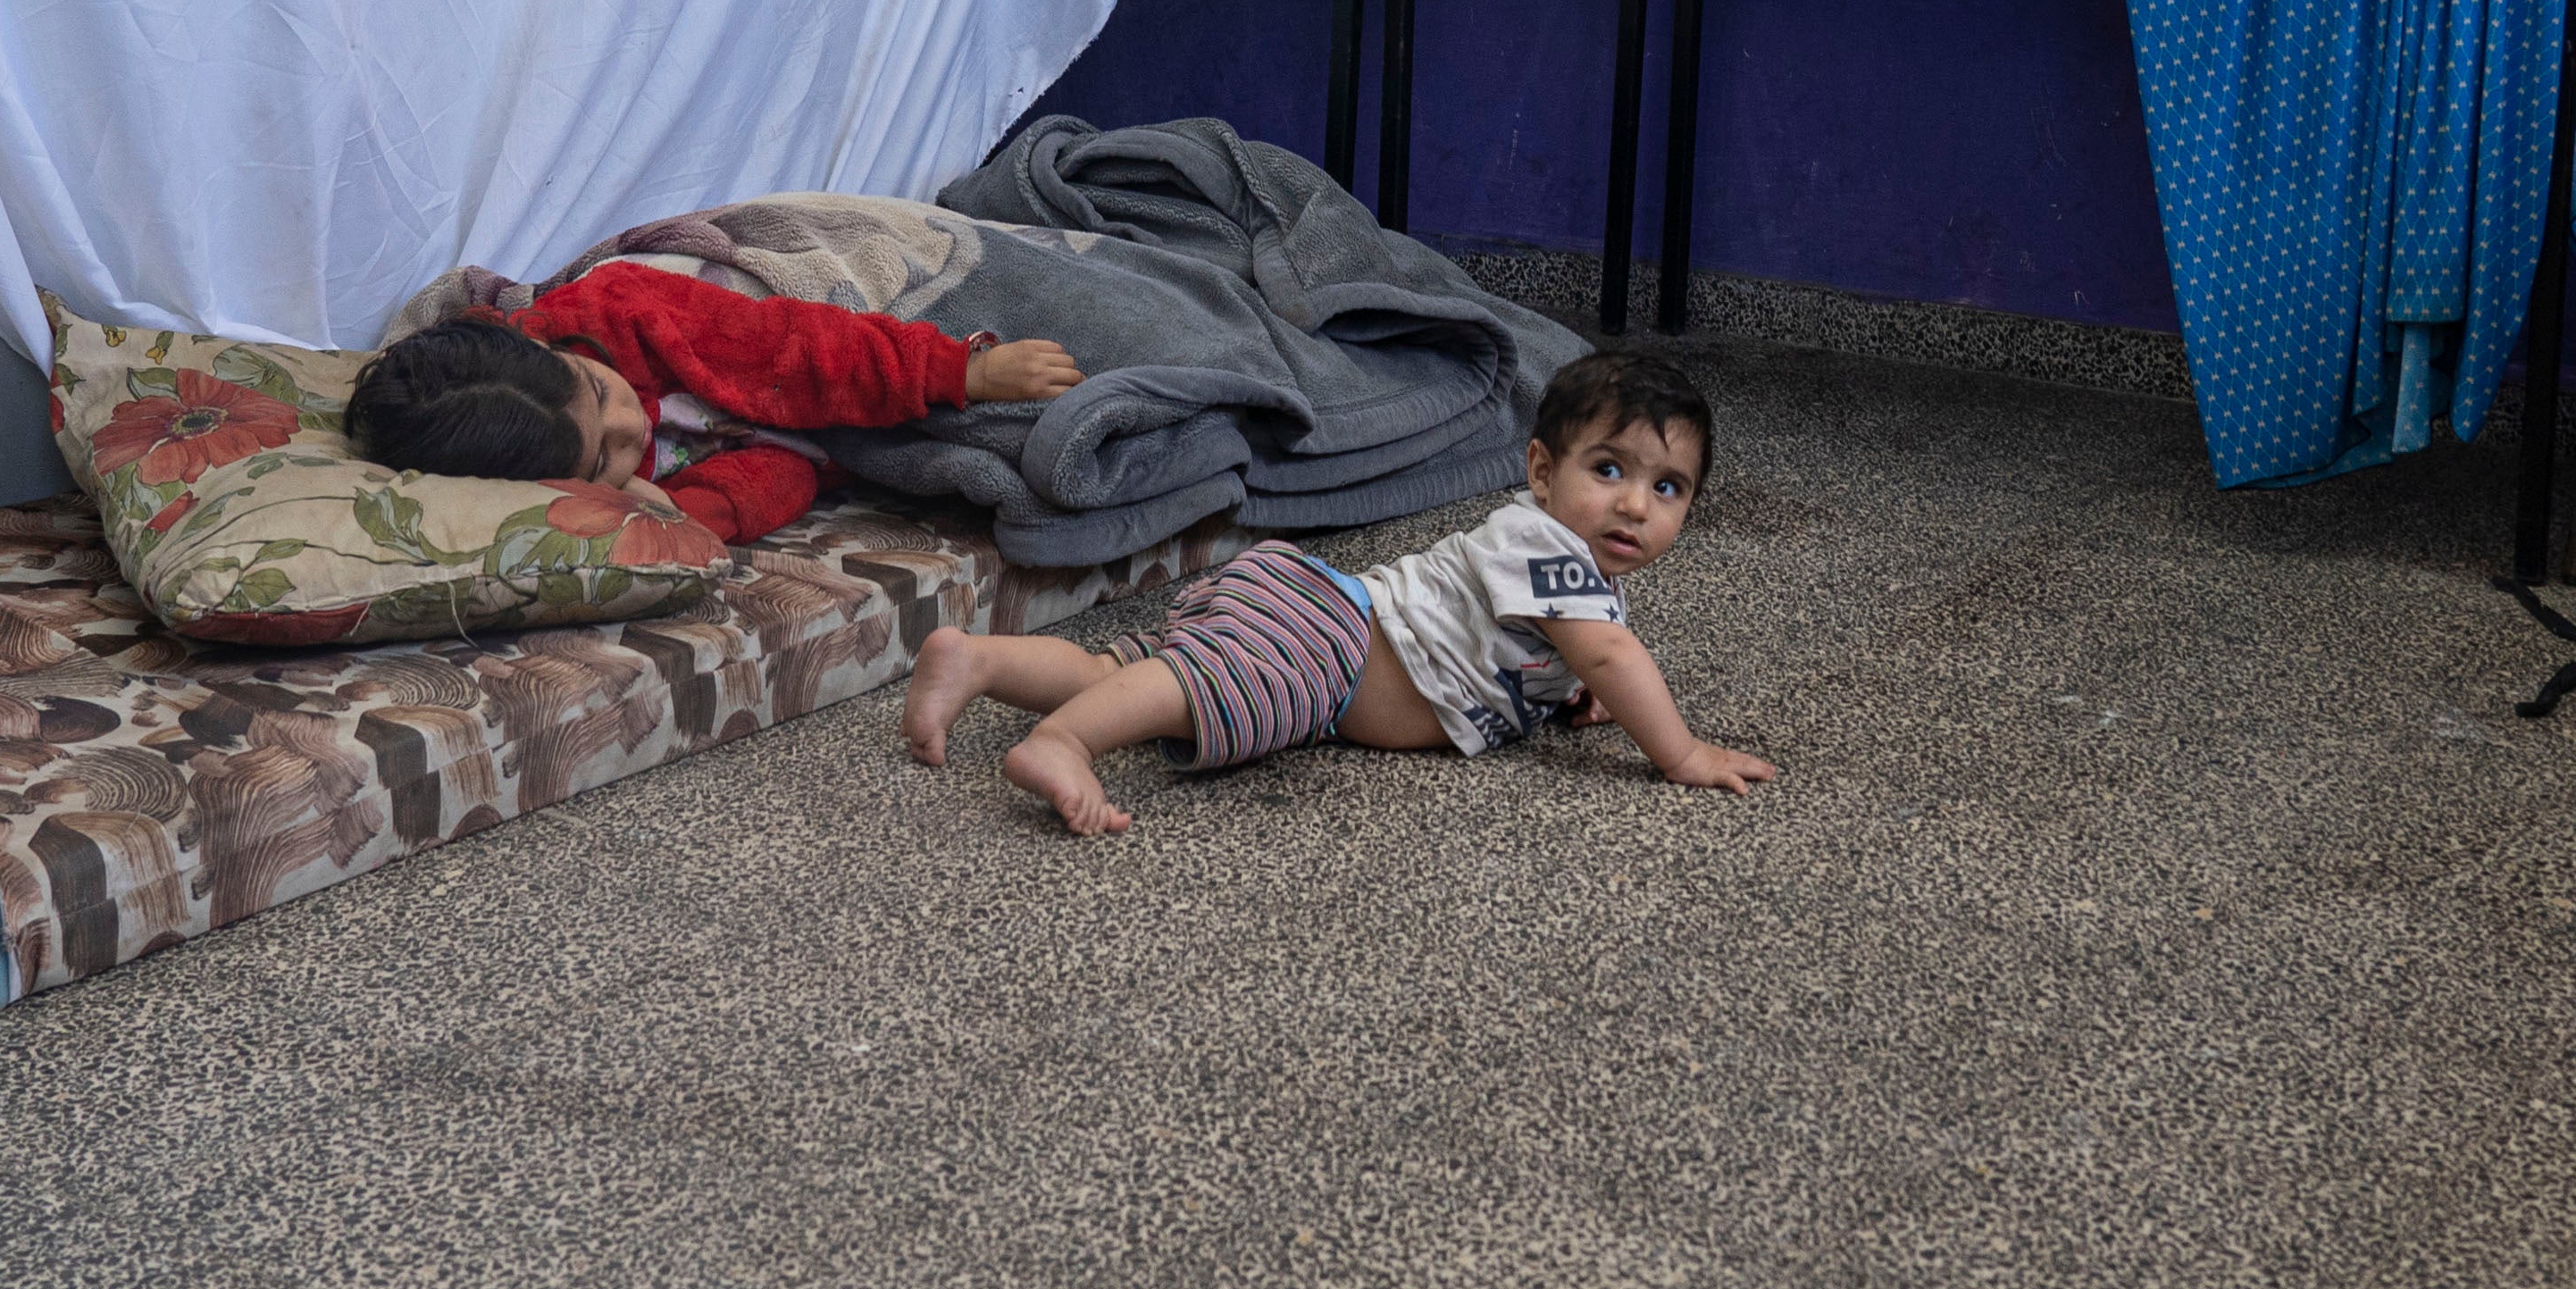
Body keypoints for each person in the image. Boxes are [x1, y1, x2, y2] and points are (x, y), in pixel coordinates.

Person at [901, 350, 1773, 833]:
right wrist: (1683, 753)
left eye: (1667, 488)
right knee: (1203, 688)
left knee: (1125, 670)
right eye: (1609, 469)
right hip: (1331, 639)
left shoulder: (1567, 573)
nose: (1633, 502)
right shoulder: (1543, 545)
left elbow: (1567, 652)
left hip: (1321, 627)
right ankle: (1060, 742)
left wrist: (1563, 693)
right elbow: (1609, 650)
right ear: (1542, 471)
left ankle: (979, 660)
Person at [343, 259, 1081, 546]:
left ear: (551, 350)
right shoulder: (564, 489)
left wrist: (959, 369)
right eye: (605, 454)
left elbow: (794, 343)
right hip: (813, 443)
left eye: (601, 392)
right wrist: (677, 513)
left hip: (852, 340)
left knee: (1057, 370)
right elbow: (775, 478)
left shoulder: (622, 307)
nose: (631, 425)